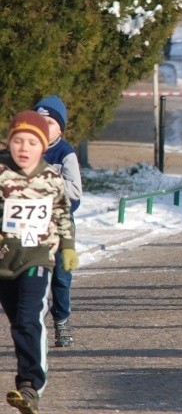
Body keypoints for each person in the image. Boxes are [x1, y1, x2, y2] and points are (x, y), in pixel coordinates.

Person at [0, 111, 78, 414]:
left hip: (37, 258)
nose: (24, 147)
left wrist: (68, 247)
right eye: (18, 140)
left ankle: (30, 384)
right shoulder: (3, 174)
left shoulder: (51, 178)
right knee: (16, 322)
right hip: (5, 261)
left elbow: (62, 213)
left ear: (43, 146)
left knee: (28, 318)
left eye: (32, 142)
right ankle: (28, 379)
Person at [34, 95, 81, 348]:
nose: (44, 126)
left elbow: (75, 194)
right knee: (33, 276)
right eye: (39, 121)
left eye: (50, 122)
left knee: (61, 278)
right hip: (32, 228)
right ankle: (34, 325)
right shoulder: (26, 150)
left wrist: (51, 179)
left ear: (60, 128)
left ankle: (62, 319)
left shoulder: (65, 153)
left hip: (61, 224)